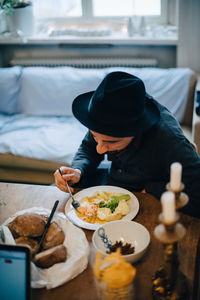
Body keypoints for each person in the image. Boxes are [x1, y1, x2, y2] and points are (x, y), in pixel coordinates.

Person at [54, 71, 200, 218]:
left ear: (136, 130)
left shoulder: (170, 141)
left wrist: (152, 189)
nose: (100, 149)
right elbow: (88, 148)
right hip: (113, 184)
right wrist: (78, 171)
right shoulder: (106, 115)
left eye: (111, 142)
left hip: (151, 203)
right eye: (94, 136)